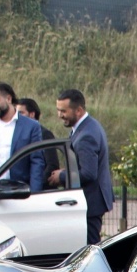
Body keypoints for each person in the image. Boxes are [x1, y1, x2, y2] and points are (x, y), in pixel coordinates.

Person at [48, 89, 113, 245]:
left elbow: (89, 173)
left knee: (90, 250)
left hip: (89, 203)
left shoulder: (86, 136)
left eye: (64, 111)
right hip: (92, 201)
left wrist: (61, 177)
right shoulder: (88, 126)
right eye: (58, 110)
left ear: (78, 110)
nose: (60, 115)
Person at [17, 96, 59, 179]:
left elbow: (52, 165)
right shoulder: (21, 134)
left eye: (21, 113)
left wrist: (36, 184)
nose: (17, 116)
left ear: (32, 114)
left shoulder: (45, 134)